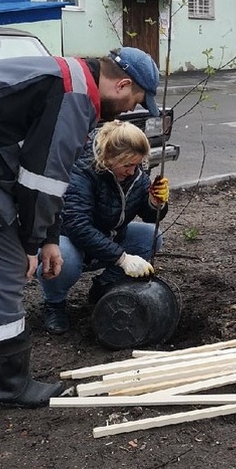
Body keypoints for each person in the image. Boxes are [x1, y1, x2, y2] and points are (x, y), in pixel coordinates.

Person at [0, 46, 161, 407]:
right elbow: (43, 181)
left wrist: (48, 236)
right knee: (0, 269)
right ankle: (10, 387)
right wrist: (30, 243)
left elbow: (45, 176)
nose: (133, 107)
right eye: (136, 99)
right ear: (123, 84)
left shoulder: (65, 77)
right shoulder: (74, 95)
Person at [37, 120, 169, 335]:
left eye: (137, 165)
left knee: (150, 237)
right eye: (127, 165)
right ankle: (54, 304)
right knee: (64, 257)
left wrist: (156, 203)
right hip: (70, 241)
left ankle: (103, 287)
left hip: (109, 237)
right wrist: (123, 259)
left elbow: (148, 217)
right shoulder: (81, 172)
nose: (132, 171)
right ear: (109, 158)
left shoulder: (135, 174)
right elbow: (77, 226)